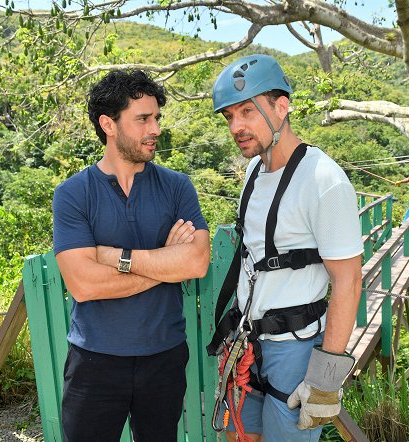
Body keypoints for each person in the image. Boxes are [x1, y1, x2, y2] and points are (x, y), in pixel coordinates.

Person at [210, 54, 363, 441]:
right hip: (246, 339)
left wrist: (325, 380)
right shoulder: (253, 171)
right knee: (240, 436)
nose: (237, 126)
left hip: (293, 349)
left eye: (247, 111)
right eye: (229, 116)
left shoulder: (323, 179)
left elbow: (348, 281)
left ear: (282, 106)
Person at [52, 69, 210, 442]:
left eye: (156, 118)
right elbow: (84, 284)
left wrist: (117, 258)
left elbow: (197, 262)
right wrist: (167, 262)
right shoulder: (73, 194)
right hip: (94, 361)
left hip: (164, 357)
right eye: (142, 119)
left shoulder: (177, 186)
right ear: (109, 123)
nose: (154, 128)